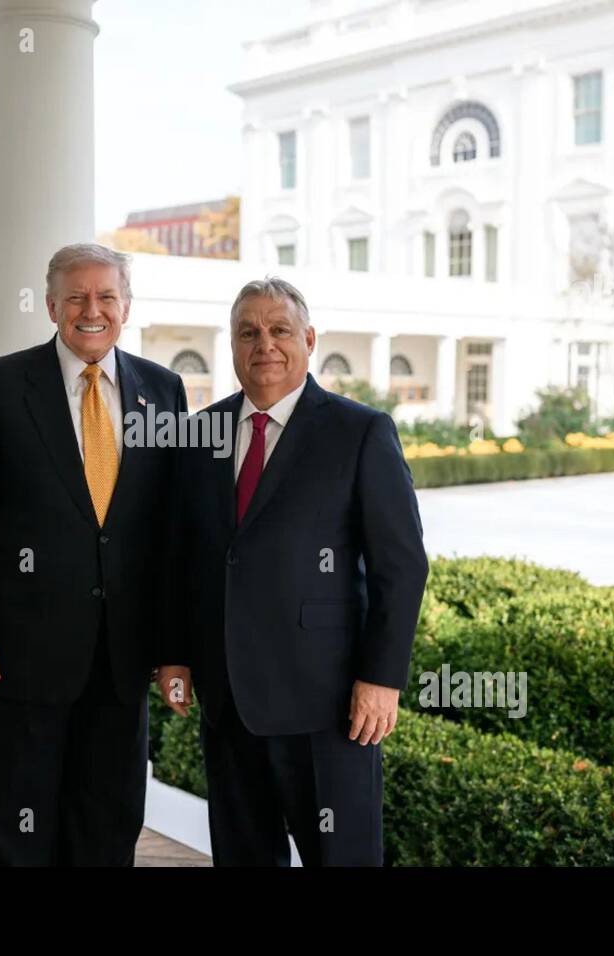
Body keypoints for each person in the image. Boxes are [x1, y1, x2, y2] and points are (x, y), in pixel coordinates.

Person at [158, 277, 428, 866]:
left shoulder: (359, 432)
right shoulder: (198, 435)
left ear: (308, 339)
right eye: (248, 332)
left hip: (328, 706)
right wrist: (175, 655)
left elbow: (401, 566)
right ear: (232, 345)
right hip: (229, 702)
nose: (265, 345)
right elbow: (184, 558)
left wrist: (382, 678)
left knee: (341, 858)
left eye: (280, 330)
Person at [0, 242, 186, 866]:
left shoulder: (164, 391)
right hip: (21, 655)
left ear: (126, 307)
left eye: (106, 296)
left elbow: (170, 533)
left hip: (122, 656)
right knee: (18, 819)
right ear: (51, 305)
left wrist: (172, 650)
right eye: (76, 296)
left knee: (110, 815)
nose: (91, 309)